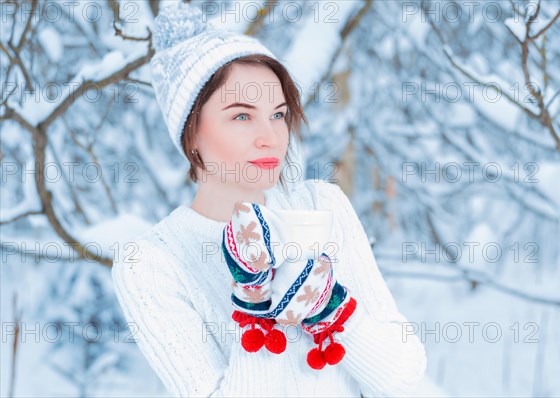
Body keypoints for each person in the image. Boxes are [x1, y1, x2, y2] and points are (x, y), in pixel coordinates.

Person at [111, 2, 427, 397]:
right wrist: (255, 303)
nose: (271, 136)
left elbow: (403, 376)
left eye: (278, 115)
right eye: (242, 116)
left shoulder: (321, 206)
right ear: (191, 133)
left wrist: (331, 307)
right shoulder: (152, 262)